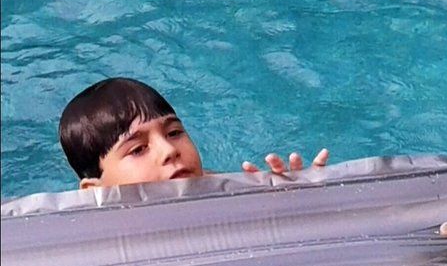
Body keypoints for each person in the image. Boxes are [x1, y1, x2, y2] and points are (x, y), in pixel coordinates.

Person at [59, 77, 328, 189]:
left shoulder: (220, 187)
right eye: (138, 149)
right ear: (96, 191)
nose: (169, 150)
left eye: (174, 132)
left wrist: (298, 198)